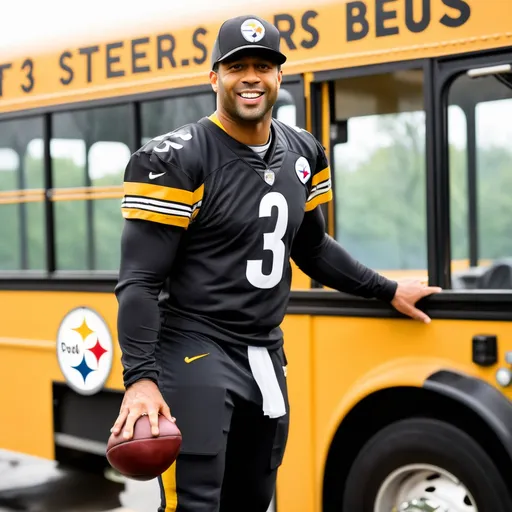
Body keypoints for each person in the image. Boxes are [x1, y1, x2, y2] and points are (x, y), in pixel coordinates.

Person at [111, 14, 441, 512]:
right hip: (195, 349)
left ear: (279, 77)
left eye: (263, 66)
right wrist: (139, 378)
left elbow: (312, 248)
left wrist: (386, 289)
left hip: (265, 352)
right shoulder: (177, 158)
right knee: (196, 504)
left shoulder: (303, 150)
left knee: (254, 501)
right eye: (237, 66)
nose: (251, 77)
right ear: (214, 77)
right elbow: (139, 281)